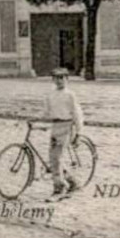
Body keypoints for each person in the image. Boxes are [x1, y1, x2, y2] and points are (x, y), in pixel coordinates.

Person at [45, 67, 84, 197]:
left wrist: (78, 133)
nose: (59, 80)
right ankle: (73, 182)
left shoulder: (70, 95)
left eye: (62, 78)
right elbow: (47, 112)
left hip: (67, 126)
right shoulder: (50, 95)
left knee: (56, 157)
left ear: (67, 79)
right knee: (54, 158)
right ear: (53, 80)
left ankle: (59, 188)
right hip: (55, 127)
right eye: (56, 78)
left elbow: (77, 113)